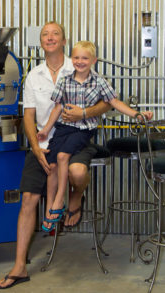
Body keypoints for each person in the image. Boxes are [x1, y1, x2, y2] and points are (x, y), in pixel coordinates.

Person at [0, 21, 112, 289]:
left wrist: (84, 113)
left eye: (55, 34)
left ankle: (75, 196)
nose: (50, 38)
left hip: (76, 137)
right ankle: (20, 266)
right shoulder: (33, 75)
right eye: (45, 34)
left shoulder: (79, 65)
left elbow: (106, 103)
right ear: (42, 42)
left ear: (63, 40)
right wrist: (35, 148)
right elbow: (28, 115)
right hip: (44, 142)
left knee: (76, 172)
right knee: (27, 199)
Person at [37, 41, 153, 232]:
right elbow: (57, 107)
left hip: (83, 129)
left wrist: (135, 114)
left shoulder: (99, 82)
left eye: (85, 58)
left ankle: (59, 201)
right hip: (63, 128)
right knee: (53, 166)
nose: (80, 61)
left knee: (62, 156)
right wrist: (46, 129)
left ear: (93, 60)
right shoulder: (65, 80)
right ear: (71, 58)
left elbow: (114, 101)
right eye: (76, 57)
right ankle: (51, 207)